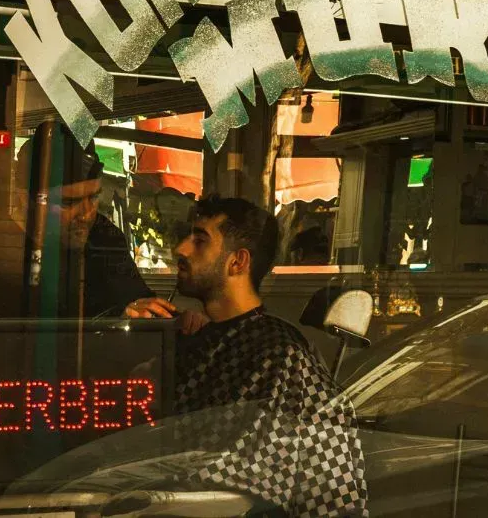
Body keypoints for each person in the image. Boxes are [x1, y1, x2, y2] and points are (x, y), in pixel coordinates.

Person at [125, 196, 368, 517]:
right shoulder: (196, 340)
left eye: (199, 240)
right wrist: (129, 334)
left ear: (237, 262)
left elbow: (236, 474)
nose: (180, 249)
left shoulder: (279, 353)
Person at [17, 121, 154, 318]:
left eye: (94, 197)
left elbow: (137, 300)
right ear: (26, 201)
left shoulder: (103, 236)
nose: (86, 214)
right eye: (68, 202)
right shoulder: (2, 246)